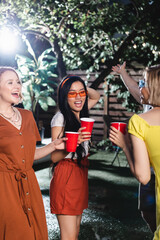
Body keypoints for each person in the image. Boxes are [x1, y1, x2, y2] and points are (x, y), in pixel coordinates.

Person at [0, 66, 67, 240]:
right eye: (10, 82)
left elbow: (30, 155)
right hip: (4, 189)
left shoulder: (27, 116)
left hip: (29, 184)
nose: (17, 86)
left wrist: (53, 145)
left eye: (18, 82)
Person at [109, 64, 160, 239]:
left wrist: (125, 145)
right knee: (147, 211)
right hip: (150, 171)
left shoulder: (139, 122)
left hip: (148, 171)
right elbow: (133, 88)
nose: (140, 87)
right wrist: (123, 72)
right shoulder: (146, 109)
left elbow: (143, 176)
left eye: (144, 83)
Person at [50, 75, 100, 240]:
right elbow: (54, 157)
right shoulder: (60, 118)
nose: (78, 97)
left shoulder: (81, 114)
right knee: (69, 237)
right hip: (67, 174)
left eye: (81, 92)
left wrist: (80, 87)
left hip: (80, 173)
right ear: (64, 96)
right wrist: (72, 144)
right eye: (71, 93)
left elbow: (96, 96)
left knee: (75, 233)